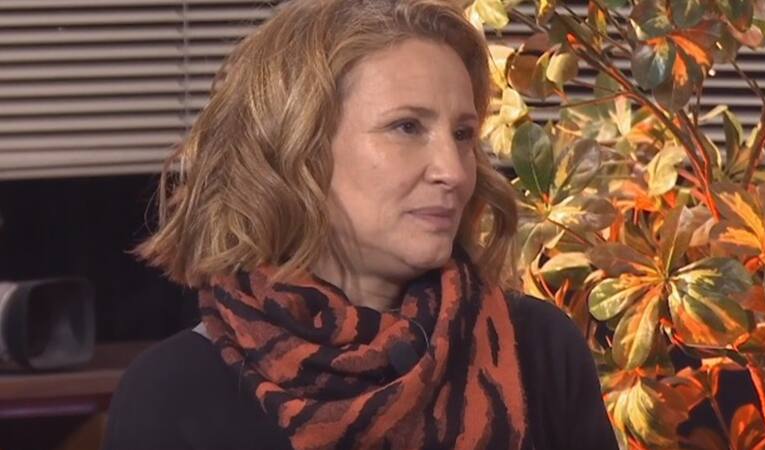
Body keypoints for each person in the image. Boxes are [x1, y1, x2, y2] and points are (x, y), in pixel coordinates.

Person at [102, 0, 617, 449]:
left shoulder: (538, 349)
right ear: (298, 151)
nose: (455, 171)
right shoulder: (176, 393)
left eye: (462, 134)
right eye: (406, 127)